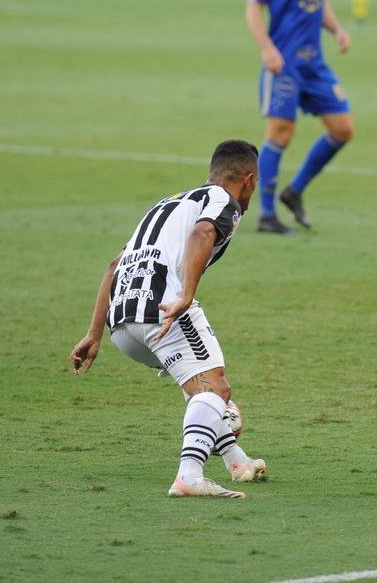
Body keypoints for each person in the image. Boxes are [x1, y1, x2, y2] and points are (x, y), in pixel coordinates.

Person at [68, 140, 268, 499]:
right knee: (216, 390)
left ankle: (238, 463)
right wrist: (186, 295)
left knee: (199, 388)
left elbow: (114, 265)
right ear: (249, 180)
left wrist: (93, 334)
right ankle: (189, 476)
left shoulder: (167, 203)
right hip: (163, 310)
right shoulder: (225, 201)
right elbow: (203, 233)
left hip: (122, 322)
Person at [245, 0, 353, 234]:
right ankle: (266, 215)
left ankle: (294, 191)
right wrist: (267, 50)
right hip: (284, 64)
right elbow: (252, 9)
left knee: (343, 129)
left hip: (314, 64)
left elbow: (318, 3)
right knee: (280, 135)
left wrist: (337, 30)